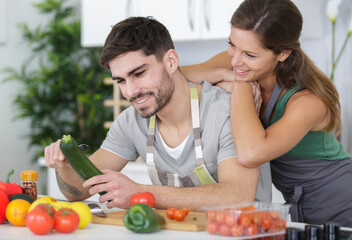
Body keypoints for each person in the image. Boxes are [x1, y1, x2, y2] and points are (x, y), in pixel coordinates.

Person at [44, 16, 272, 211]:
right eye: (121, 81)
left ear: (171, 62)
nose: (131, 91)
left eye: (139, 73)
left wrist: (140, 193)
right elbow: (77, 191)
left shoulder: (225, 111)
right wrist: (63, 163)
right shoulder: (131, 122)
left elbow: (238, 195)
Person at [182, 0, 352, 226]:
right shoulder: (238, 64)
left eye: (250, 55)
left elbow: (250, 153)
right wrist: (223, 74)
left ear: (282, 54)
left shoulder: (308, 100)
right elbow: (173, 78)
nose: (235, 60)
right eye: (232, 45)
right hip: (296, 205)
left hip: (339, 202)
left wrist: (238, 86)